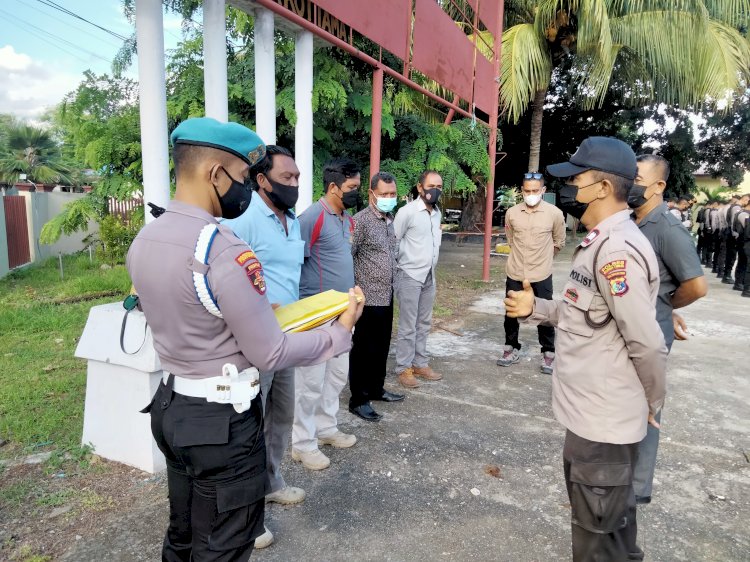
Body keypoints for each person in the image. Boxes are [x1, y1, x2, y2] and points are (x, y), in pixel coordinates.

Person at [126, 117, 364, 561]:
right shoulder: (222, 247)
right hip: (220, 423)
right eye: (240, 179)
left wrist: (259, 312)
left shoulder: (146, 238)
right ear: (215, 174)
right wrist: (339, 332)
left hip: (172, 407)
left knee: (184, 534)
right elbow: (269, 351)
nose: (245, 191)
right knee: (224, 545)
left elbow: (187, 311)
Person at [505, 136, 667, 562]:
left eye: (577, 179)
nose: (571, 187)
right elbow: (582, 312)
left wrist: (652, 401)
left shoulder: (617, 251)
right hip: (590, 419)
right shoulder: (599, 242)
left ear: (601, 188)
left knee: (597, 543)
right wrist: (535, 307)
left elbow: (646, 342)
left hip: (604, 425)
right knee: (611, 533)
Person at [222, 145, 305, 549]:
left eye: (297, 178)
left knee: (281, 415)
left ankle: (272, 482)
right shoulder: (242, 220)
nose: (294, 185)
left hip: (289, 334)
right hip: (255, 338)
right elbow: (229, 275)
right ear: (261, 180)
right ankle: (247, 514)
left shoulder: (291, 221)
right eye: (287, 178)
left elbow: (292, 274)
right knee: (250, 425)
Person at [628, 154, 708, 504]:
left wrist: (668, 306)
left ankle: (636, 489)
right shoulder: (632, 221)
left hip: (652, 336)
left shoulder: (667, 229)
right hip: (631, 329)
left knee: (646, 409)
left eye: (639, 179)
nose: (631, 184)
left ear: (658, 186)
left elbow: (696, 285)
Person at [292, 157, 361, 470]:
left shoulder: (346, 219)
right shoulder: (311, 217)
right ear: (333, 187)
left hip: (343, 313)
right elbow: (295, 263)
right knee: (309, 383)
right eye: (351, 188)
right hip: (316, 314)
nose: (355, 193)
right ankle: (302, 445)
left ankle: (326, 428)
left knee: (335, 376)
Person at [348, 171, 405, 421]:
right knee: (363, 349)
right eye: (384, 194)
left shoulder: (389, 219)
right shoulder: (360, 221)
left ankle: (376, 388)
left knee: (381, 346)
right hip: (366, 297)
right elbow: (348, 255)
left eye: (392, 194)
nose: (388, 198)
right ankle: (358, 399)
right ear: (372, 194)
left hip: (387, 293)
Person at [497, 172, 566, 374]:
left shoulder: (554, 214)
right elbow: (511, 239)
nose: (531, 194)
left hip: (541, 274)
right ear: (521, 190)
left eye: (535, 191)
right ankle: (511, 348)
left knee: (545, 313)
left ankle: (548, 353)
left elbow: (558, 242)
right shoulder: (512, 213)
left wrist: (543, 259)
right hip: (516, 271)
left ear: (543, 190)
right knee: (511, 312)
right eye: (527, 191)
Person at [394, 170, 444, 388]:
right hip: (409, 276)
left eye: (440, 187)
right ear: (420, 187)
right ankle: (403, 368)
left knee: (424, 323)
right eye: (431, 185)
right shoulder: (407, 212)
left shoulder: (437, 214)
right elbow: (393, 242)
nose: (435, 190)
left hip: (429, 276)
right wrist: (398, 270)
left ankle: (420, 363)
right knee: (408, 326)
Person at [722, 195, 745, 284]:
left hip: (730, 234)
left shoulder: (732, 207)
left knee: (731, 256)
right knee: (731, 256)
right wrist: (735, 235)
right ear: (745, 199)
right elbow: (733, 222)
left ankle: (727, 275)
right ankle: (727, 276)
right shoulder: (736, 208)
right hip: (733, 236)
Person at [733, 195, 750, 294]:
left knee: (743, 263)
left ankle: (740, 283)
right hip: (744, 241)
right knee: (744, 263)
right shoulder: (743, 214)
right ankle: (742, 285)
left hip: (744, 241)